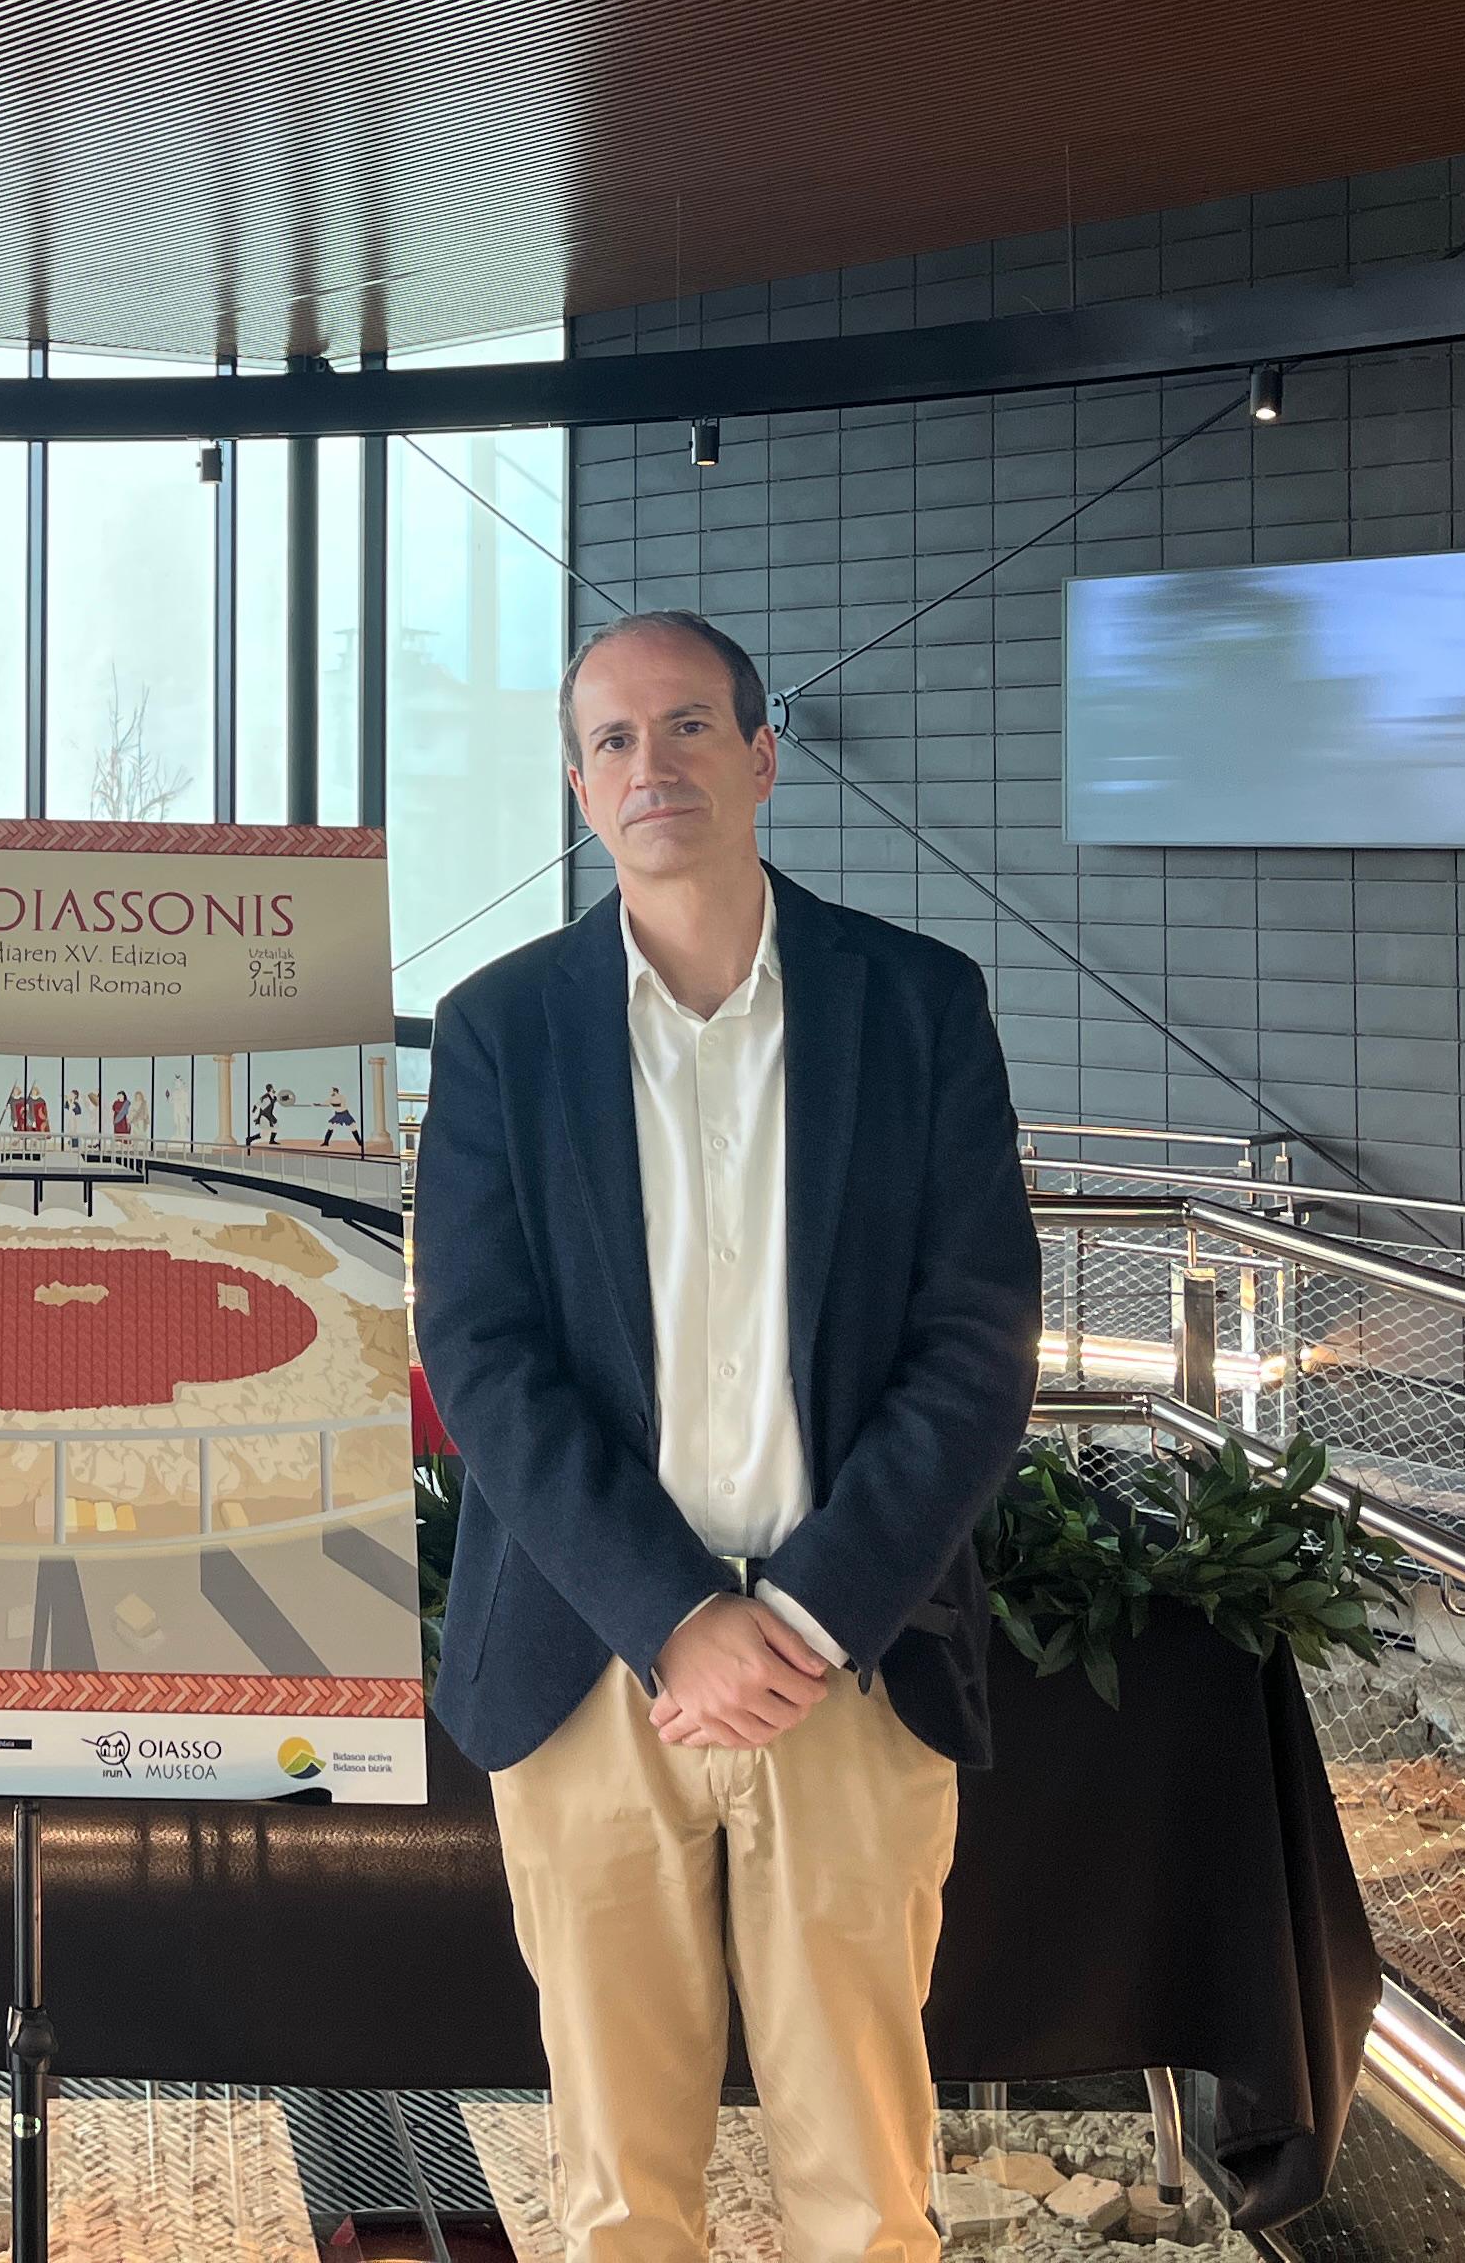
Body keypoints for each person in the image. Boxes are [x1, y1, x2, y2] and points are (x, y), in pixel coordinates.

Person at [414, 610, 1040, 2263]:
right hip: (591, 1669)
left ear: (762, 759)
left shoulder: (917, 1007)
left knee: (866, 2180)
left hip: (854, 1662)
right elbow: (480, 1356)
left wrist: (803, 1614)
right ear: (575, 787)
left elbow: (975, 1349)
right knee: (620, 2187)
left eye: (687, 727)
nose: (650, 766)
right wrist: (675, 1616)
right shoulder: (497, 1034)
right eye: (612, 742)